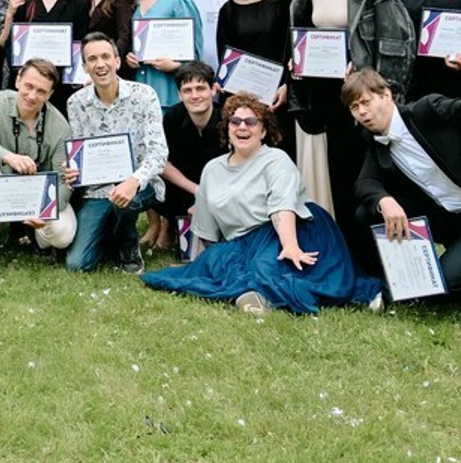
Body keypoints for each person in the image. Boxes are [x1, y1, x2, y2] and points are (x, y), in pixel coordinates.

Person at [143, 91, 382, 314]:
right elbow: (207, 231)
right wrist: (200, 265)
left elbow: (282, 206)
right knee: (220, 260)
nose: (242, 127)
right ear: (228, 130)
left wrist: (290, 245)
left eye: (251, 122)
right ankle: (252, 293)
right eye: (235, 122)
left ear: (264, 131)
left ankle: (267, 294)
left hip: (290, 229)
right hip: (242, 240)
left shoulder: (276, 159)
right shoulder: (212, 169)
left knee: (267, 268)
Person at [289, 0, 414, 243]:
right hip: (327, 95)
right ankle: (351, 256)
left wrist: (364, 71)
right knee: (339, 177)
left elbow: (395, 41)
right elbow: (306, 32)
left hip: (361, 95)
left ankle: (380, 255)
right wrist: (298, 60)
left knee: (367, 177)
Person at [346, 67, 461, 295]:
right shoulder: (375, 139)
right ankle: (391, 283)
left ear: (386, 96)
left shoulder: (427, 110)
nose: (362, 112)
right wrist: (384, 200)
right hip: (446, 219)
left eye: (366, 102)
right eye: (354, 107)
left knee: (447, 285)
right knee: (366, 212)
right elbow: (364, 182)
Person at [64, 33, 168, 274]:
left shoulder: (145, 95)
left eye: (105, 57)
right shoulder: (76, 103)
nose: (100, 64)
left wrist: (133, 181)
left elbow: (159, 152)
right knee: (76, 264)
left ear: (117, 61)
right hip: (98, 191)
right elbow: (80, 151)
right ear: (84, 67)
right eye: (92, 59)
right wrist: (74, 170)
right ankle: (112, 239)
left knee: (126, 200)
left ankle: (129, 248)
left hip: (141, 185)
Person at [0, 58, 75, 274]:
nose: (33, 96)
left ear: (50, 94)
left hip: (39, 196)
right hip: (2, 186)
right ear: (18, 81)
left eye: (41, 91)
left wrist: (45, 213)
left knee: (63, 235)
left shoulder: (61, 127)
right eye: (29, 86)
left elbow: (64, 181)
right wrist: (8, 156)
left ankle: (41, 243)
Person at [151, 61, 223, 252]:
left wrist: (207, 198)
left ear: (213, 90)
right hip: (184, 187)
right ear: (179, 94)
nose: (195, 95)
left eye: (201, 88)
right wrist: (197, 191)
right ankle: (171, 227)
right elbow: (162, 163)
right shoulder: (172, 117)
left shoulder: (227, 119)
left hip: (221, 190)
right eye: (188, 90)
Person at [128, 0, 202, 108]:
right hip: (135, 95)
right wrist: (128, 58)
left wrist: (176, 65)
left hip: (168, 95)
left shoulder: (179, 2)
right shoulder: (130, 0)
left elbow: (196, 54)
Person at [216, 0, 290, 97]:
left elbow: (289, 49)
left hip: (278, 93)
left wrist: (286, 84)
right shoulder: (227, 11)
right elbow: (225, 56)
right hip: (242, 94)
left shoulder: (281, 2)